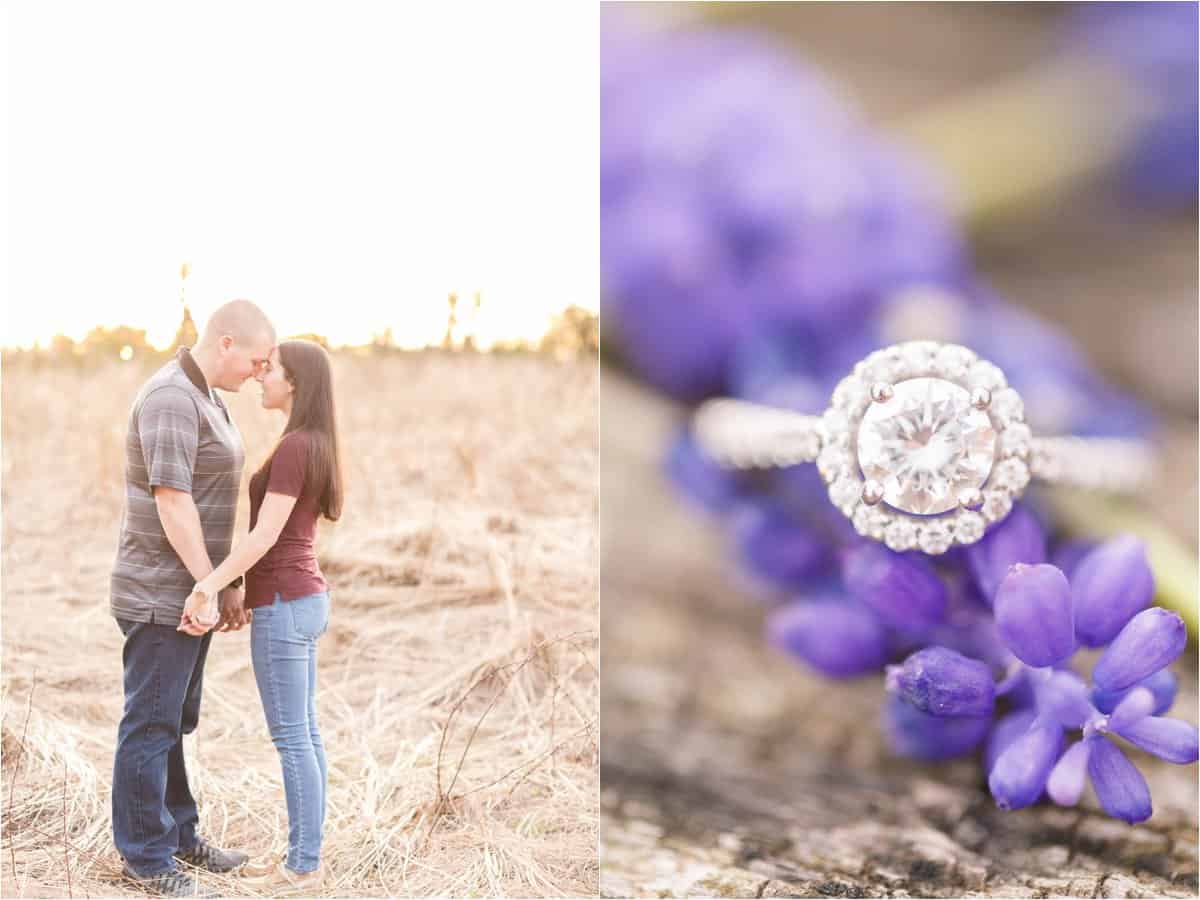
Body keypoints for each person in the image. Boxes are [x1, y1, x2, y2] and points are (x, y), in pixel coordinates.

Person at [110, 300, 274, 898]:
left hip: (192, 589)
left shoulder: (208, 398)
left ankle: (180, 834)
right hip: (160, 593)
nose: (259, 373)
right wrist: (209, 586)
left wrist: (222, 582)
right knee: (150, 723)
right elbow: (172, 500)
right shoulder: (172, 398)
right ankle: (147, 860)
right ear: (225, 342)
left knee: (173, 721)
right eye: (256, 361)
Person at [181, 338, 343, 892]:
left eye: (269, 369)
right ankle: (306, 855)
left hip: (285, 601)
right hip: (302, 597)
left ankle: (302, 866)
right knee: (306, 734)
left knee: (293, 738)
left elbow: (265, 536)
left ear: (294, 381)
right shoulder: (311, 442)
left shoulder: (298, 446)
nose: (259, 377)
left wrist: (209, 584)